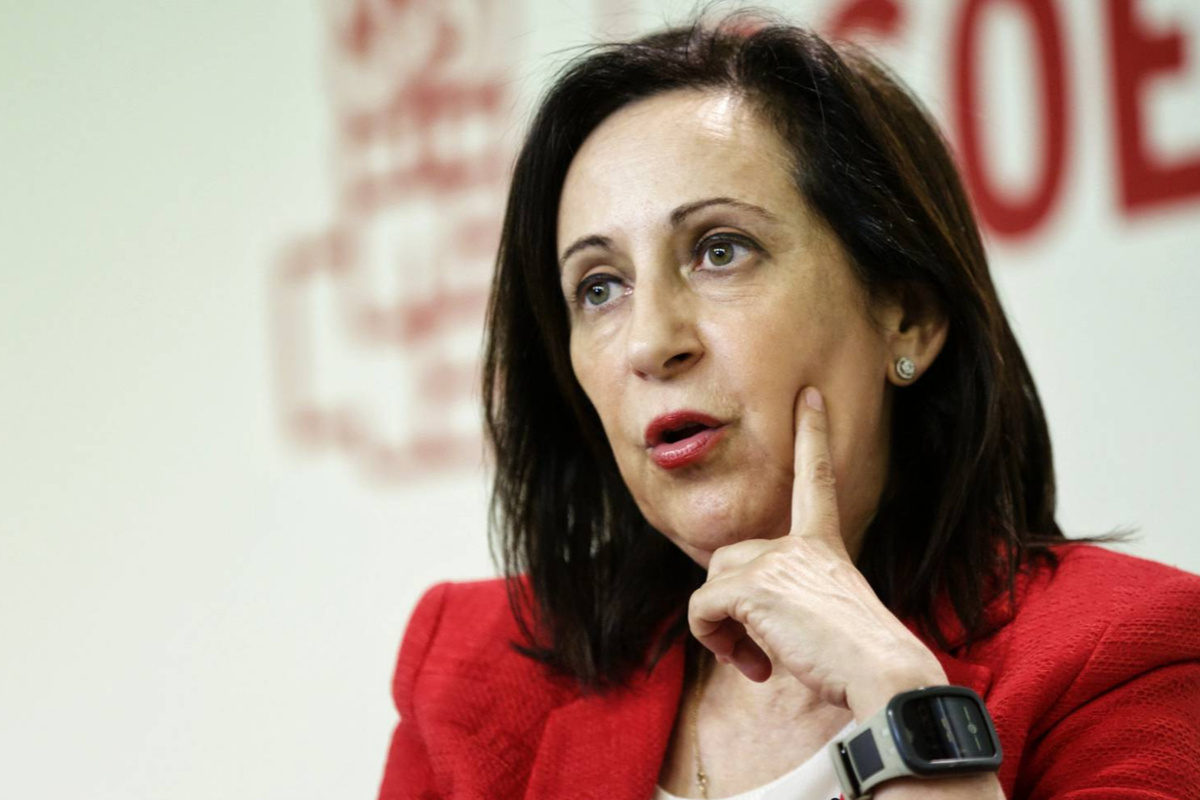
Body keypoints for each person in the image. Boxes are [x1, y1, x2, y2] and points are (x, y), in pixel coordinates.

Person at [376, 13, 1200, 800]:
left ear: (907, 318)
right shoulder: (469, 673)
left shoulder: (1127, 651)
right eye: (600, 288)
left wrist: (898, 693)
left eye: (720, 250)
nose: (650, 343)